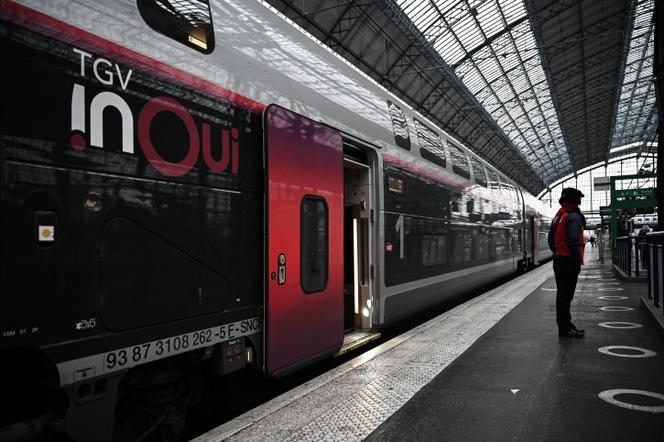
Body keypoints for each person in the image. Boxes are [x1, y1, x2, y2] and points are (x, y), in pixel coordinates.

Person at [548, 188, 586, 338]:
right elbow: (573, 240)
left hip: (559, 260)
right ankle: (565, 328)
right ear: (575, 200)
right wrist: (575, 259)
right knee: (566, 296)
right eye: (579, 198)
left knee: (562, 296)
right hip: (569, 262)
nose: (580, 201)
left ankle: (565, 326)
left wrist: (558, 252)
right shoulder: (573, 216)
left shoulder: (559, 216)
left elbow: (551, 240)